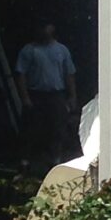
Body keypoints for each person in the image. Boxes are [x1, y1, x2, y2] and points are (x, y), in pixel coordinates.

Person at [15, 23, 78, 167]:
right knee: (30, 130)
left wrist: (72, 96)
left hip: (56, 95)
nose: (42, 30)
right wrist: (25, 98)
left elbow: (69, 74)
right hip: (35, 95)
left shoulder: (61, 50)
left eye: (45, 27)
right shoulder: (29, 50)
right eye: (40, 27)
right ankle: (25, 163)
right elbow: (21, 75)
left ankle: (56, 161)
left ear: (52, 28)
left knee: (57, 129)